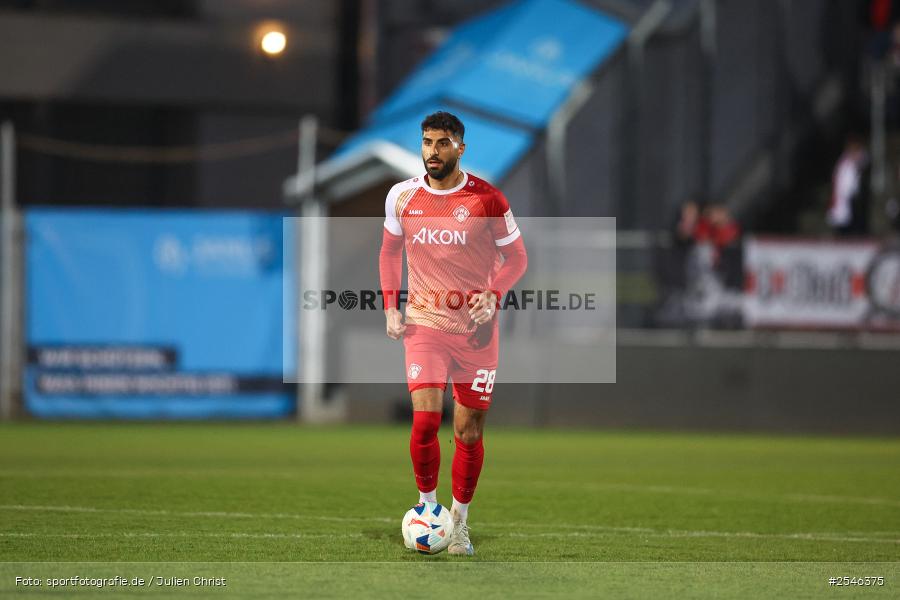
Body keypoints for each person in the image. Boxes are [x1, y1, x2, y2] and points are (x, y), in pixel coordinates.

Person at [378, 111, 528, 556]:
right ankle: (427, 509)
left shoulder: (487, 199)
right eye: (427, 142)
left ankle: (459, 523)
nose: (433, 152)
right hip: (424, 324)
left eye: (442, 143)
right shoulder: (402, 196)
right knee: (425, 420)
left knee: (467, 432)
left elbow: (517, 257)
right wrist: (390, 308)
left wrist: (493, 294)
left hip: (476, 333)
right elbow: (389, 252)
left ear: (460, 147)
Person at [827, 134, 871, 236]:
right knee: (842, 226)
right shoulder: (843, 161)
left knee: (855, 225)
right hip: (843, 198)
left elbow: (864, 160)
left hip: (854, 198)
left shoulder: (861, 157)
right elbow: (838, 180)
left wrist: (856, 156)